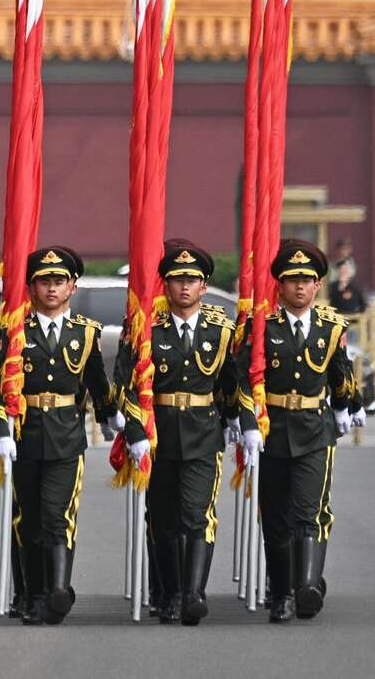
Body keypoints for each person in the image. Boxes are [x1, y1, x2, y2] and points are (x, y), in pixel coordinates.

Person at [0, 246, 114, 627]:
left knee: (58, 517)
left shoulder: (86, 332)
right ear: (31, 287)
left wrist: (114, 414)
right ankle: (33, 594)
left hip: (66, 436)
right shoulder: (14, 331)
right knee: (30, 520)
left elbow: (95, 382)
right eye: (45, 282)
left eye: (60, 282)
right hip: (24, 435)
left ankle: (56, 592)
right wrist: (1, 430)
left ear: (72, 287)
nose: (52, 289)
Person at [235, 239, 363, 625]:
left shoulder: (331, 326)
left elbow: (341, 373)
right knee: (275, 519)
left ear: (318, 284)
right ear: (280, 285)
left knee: (308, 512)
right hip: (272, 430)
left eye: (307, 279)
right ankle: (281, 593)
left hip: (314, 431)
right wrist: (247, 424)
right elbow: (243, 378)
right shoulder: (261, 329)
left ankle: (306, 586)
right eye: (292, 280)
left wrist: (347, 405)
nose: (300, 287)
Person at [114, 241, 234, 626]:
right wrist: (134, 430)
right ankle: (169, 593)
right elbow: (124, 385)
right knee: (164, 520)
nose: (184, 286)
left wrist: (242, 422)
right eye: (177, 279)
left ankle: (193, 593)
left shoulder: (222, 331)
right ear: (165, 285)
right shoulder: (145, 330)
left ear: (204, 286)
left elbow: (234, 384)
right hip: (159, 433)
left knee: (198, 516)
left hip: (203, 433)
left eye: (192, 280)